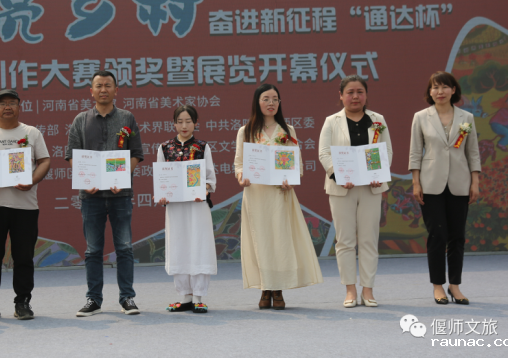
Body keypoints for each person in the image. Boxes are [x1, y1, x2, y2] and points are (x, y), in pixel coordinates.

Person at [233, 83, 323, 310]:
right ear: (257, 102)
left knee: (280, 241)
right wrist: (242, 177)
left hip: (280, 194)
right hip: (256, 195)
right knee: (261, 240)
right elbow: (239, 164)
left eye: (275, 99)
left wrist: (291, 179)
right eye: (266, 99)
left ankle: (278, 289)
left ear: (280, 103)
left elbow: (297, 164)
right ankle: (265, 288)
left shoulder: (287, 130)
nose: (271, 103)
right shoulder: (245, 131)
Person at [66, 71, 144, 317]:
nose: (103, 89)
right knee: (92, 250)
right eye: (98, 86)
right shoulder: (80, 120)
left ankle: (127, 298)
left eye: (108, 85)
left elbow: (136, 154)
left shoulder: (127, 118)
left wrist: (121, 178)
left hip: (121, 194)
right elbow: (72, 155)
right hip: (91, 196)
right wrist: (85, 180)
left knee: (125, 247)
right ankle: (94, 299)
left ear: (116, 90)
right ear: (91, 91)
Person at [0, 89, 50, 321]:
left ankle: (22, 302)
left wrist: (32, 180)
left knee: (23, 256)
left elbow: (45, 160)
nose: (7, 107)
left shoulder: (31, 132)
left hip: (25, 206)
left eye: (12, 103)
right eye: (2, 103)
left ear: (19, 107)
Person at [318, 75, 393, 308]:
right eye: (350, 92)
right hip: (342, 189)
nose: (355, 96)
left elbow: (386, 151)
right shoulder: (332, 121)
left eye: (360, 92)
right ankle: (350, 290)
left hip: (371, 188)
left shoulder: (377, 120)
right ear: (341, 96)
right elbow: (324, 153)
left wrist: (379, 173)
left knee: (369, 239)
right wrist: (338, 175)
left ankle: (368, 290)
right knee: (345, 241)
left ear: (366, 95)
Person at [409, 71, 480, 305]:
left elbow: (472, 152)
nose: (440, 91)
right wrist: (416, 182)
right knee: (437, 236)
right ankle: (438, 286)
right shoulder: (421, 117)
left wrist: (475, 182)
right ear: (430, 92)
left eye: (444, 87)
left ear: (453, 90)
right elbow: (415, 152)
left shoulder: (467, 117)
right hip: (431, 184)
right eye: (435, 87)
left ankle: (455, 286)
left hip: (460, 183)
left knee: (457, 236)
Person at [157, 105, 217, 314]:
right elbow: (162, 179)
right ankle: (184, 296)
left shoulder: (202, 147)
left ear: (195, 123)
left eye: (188, 121)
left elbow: (210, 178)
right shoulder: (164, 148)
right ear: (174, 124)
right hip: (175, 207)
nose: (184, 125)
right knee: (179, 245)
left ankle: (198, 296)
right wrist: (162, 194)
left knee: (199, 245)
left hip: (197, 205)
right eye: (180, 121)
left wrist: (204, 189)